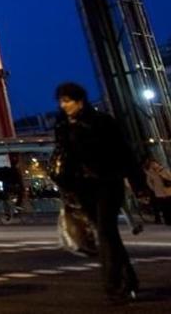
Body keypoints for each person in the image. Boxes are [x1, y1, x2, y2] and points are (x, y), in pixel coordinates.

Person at [52, 82, 147, 305]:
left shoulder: (102, 122)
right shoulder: (62, 126)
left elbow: (125, 153)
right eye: (61, 101)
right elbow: (63, 157)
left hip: (107, 183)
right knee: (108, 235)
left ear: (79, 100)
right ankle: (129, 280)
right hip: (83, 188)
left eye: (67, 100)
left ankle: (112, 286)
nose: (63, 105)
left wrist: (139, 184)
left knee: (105, 232)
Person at [144, 156, 171, 225]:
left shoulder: (164, 169)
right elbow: (149, 182)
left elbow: (169, 177)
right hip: (159, 192)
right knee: (164, 207)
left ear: (157, 163)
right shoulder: (150, 172)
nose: (154, 165)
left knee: (169, 205)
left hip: (168, 190)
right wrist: (154, 189)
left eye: (154, 163)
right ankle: (167, 221)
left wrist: (162, 174)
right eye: (152, 164)